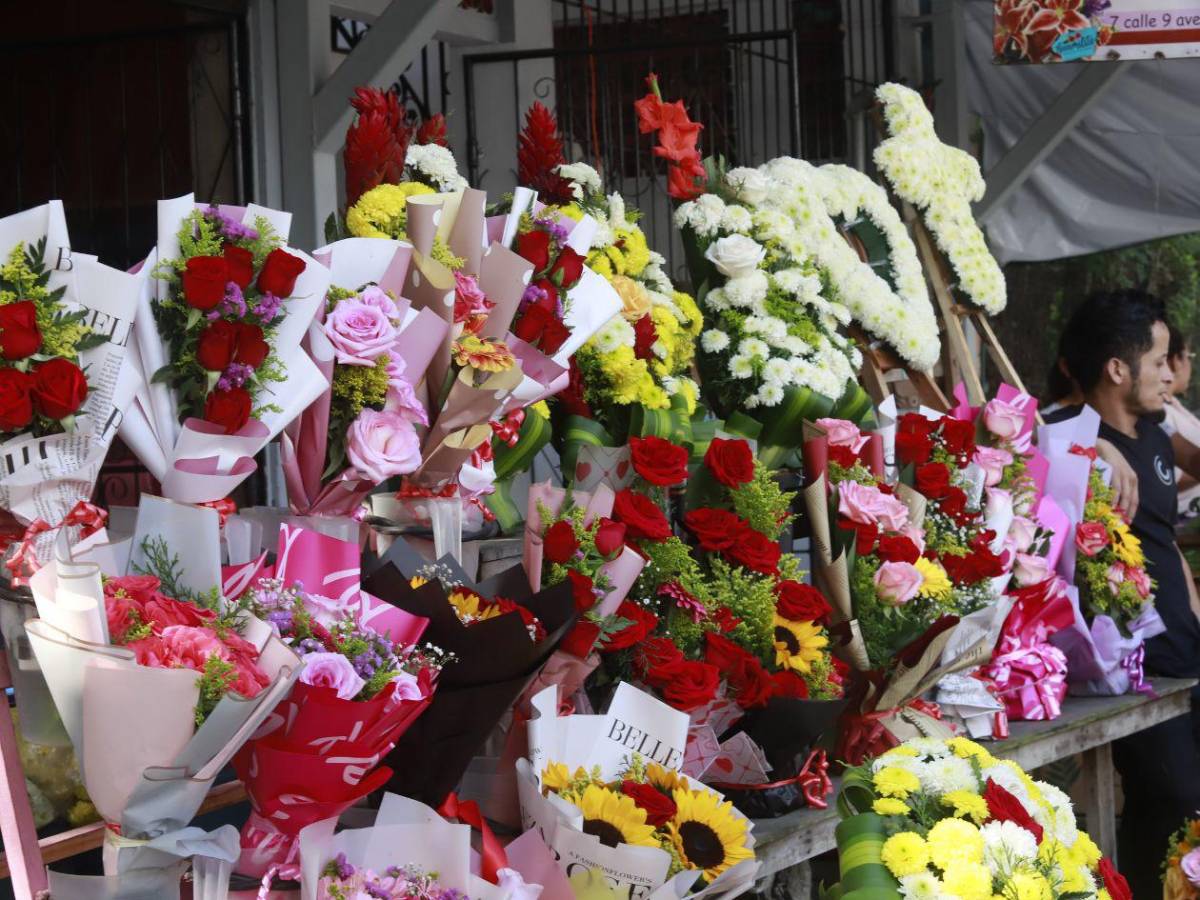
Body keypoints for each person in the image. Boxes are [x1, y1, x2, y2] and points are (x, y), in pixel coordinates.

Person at [1053, 289, 1200, 896]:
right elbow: (1000, 429)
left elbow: (1167, 544)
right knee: (1175, 798)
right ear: (1117, 369)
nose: (1171, 374)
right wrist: (1091, 444)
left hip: (1186, 652)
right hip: (1132, 669)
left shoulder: (1159, 434)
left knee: (1176, 811)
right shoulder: (1061, 438)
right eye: (1160, 360)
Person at [1162, 323, 1200, 518]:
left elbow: (1193, 460)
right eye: (1158, 362)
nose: (1168, 376)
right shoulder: (1158, 414)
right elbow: (1168, 480)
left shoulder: (1164, 411)